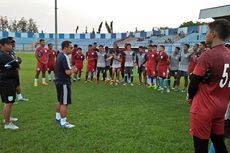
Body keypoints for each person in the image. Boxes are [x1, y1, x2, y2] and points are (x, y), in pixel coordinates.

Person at [187, 19, 230, 153]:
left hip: (203, 107)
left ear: (213, 34)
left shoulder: (208, 55)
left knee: (200, 147)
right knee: (218, 142)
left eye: (206, 32)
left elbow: (194, 82)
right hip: (221, 107)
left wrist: (190, 96)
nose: (205, 35)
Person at [0, 38, 20, 129]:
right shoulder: (3, 55)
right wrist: (17, 61)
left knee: (9, 102)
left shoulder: (5, 54)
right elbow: (16, 63)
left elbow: (15, 63)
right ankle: (7, 124)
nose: (10, 46)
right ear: (2, 46)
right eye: (8, 44)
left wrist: (16, 62)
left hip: (8, 81)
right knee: (8, 102)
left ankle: (7, 118)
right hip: (6, 83)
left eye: (10, 44)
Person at [55, 40, 75, 129]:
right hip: (63, 82)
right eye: (71, 47)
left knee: (60, 100)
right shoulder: (64, 56)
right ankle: (63, 122)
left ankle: (58, 117)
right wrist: (74, 70)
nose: (72, 49)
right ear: (65, 47)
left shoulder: (59, 55)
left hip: (59, 81)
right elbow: (67, 72)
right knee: (64, 103)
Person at [8, 37, 28, 102]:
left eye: (14, 42)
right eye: (12, 42)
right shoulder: (6, 51)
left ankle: (19, 97)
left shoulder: (12, 50)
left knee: (17, 83)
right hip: (9, 70)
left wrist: (18, 64)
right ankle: (10, 99)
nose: (13, 43)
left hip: (14, 69)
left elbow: (14, 59)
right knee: (10, 85)